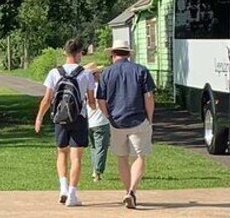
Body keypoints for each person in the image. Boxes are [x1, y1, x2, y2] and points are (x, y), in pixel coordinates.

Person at [34, 38, 96, 207]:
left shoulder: (55, 72)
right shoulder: (86, 74)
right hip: (79, 117)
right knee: (76, 157)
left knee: (62, 153)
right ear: (78, 54)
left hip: (60, 118)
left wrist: (39, 118)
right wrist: (93, 105)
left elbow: (47, 99)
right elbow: (91, 101)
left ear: (65, 53)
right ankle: (73, 194)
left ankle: (63, 188)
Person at [96, 39, 155, 210]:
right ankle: (131, 191)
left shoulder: (106, 73)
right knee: (139, 156)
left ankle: (127, 191)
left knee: (121, 157)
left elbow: (101, 100)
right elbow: (149, 97)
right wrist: (150, 117)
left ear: (113, 54)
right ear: (128, 54)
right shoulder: (140, 70)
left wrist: (108, 116)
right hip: (138, 119)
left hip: (116, 121)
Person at [84, 62, 110, 181]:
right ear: (94, 74)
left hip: (88, 121)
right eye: (99, 72)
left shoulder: (86, 88)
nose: (101, 74)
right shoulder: (100, 87)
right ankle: (98, 171)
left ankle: (94, 169)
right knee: (101, 147)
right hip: (101, 121)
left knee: (93, 147)